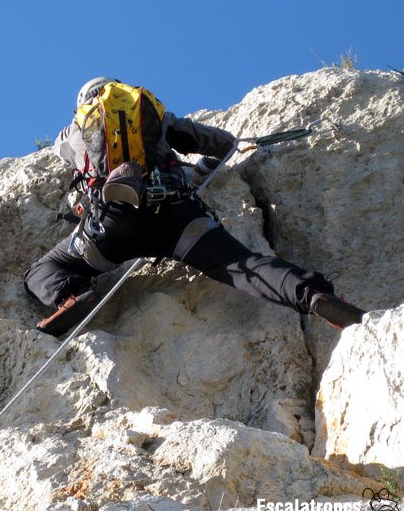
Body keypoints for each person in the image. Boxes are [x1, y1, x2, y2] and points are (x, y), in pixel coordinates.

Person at [23, 77, 366, 337]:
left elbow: (61, 151)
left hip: (112, 227)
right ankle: (313, 295)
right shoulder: (155, 117)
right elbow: (224, 144)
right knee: (243, 264)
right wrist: (198, 170)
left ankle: (71, 294)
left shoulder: (75, 133)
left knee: (44, 269)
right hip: (177, 217)